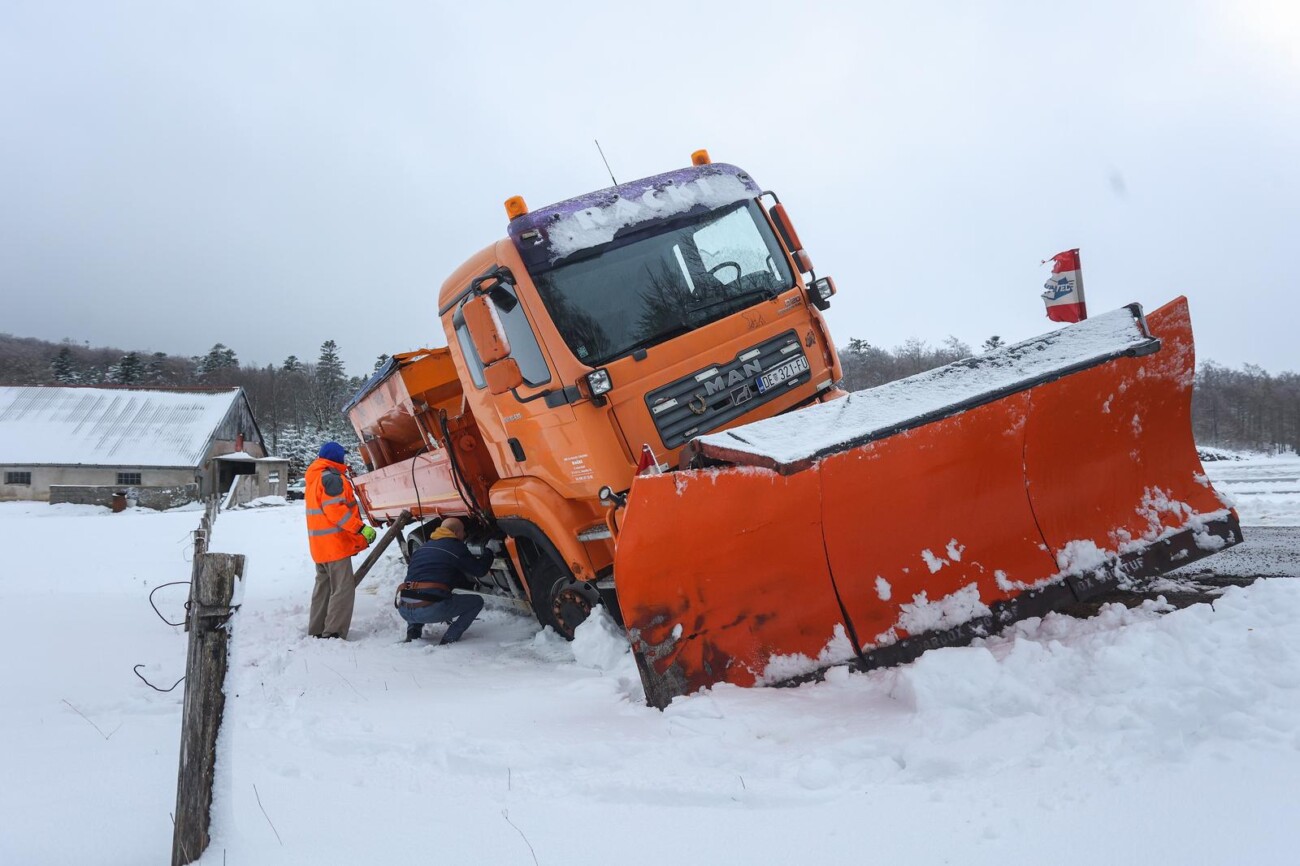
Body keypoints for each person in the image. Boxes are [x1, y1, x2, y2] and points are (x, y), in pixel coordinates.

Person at [305, 441, 376, 639]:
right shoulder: (333, 478)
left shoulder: (315, 478)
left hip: (320, 547)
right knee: (343, 589)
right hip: (334, 545)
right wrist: (360, 528)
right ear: (337, 457)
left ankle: (317, 630)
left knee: (323, 588)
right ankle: (333, 633)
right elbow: (335, 511)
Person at [396, 517, 492, 644]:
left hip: (404, 609)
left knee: (416, 589)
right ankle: (449, 639)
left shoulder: (422, 548)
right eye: (463, 532)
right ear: (457, 533)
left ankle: (413, 632)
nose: (464, 535)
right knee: (476, 601)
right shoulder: (455, 547)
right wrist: (489, 551)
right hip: (430, 611)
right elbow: (479, 571)